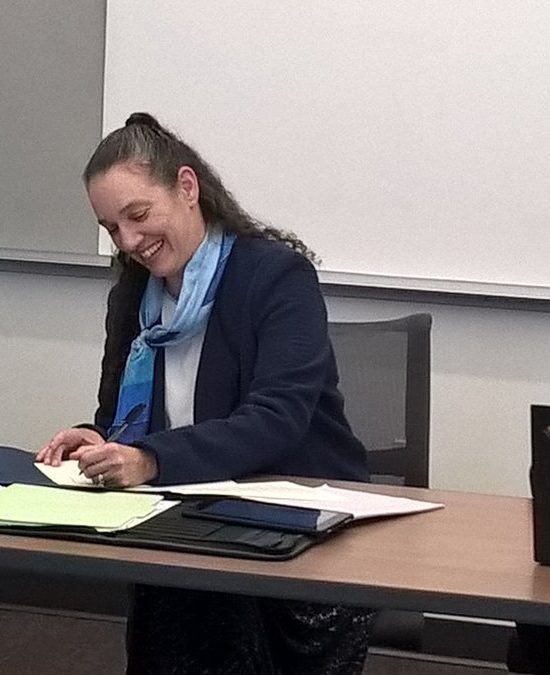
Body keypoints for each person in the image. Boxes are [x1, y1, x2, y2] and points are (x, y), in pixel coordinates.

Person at [37, 112, 372, 675]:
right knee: (173, 611)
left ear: (187, 188)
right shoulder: (133, 296)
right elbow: (121, 419)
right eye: (112, 228)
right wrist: (97, 440)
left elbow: (276, 420)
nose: (129, 242)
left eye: (138, 215)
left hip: (293, 527)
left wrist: (148, 460)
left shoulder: (276, 277)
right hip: (186, 519)